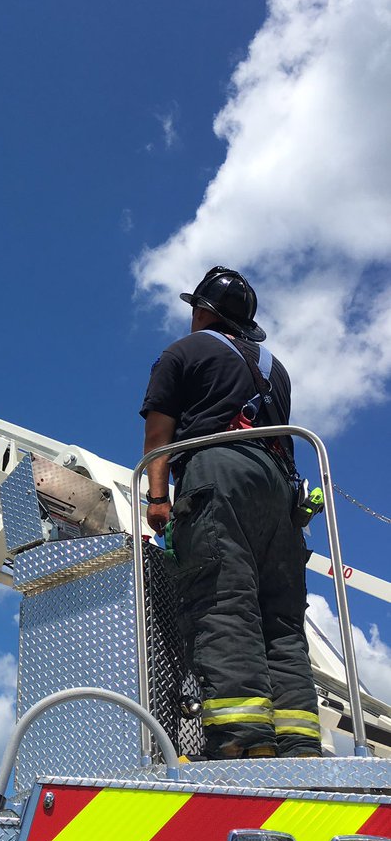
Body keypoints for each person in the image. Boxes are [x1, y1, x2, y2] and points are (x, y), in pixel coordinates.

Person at [140, 266, 321, 759]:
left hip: (220, 476)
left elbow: (159, 436)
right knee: (281, 620)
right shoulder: (275, 369)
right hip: (280, 493)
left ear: (202, 312)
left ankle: (244, 743)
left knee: (224, 601)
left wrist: (158, 500)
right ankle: (300, 744)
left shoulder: (183, 352)